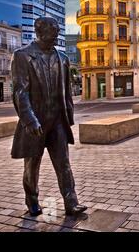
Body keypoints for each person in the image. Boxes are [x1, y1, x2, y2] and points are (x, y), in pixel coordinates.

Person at [11, 17, 87, 216]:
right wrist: (30, 120)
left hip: (57, 122)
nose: (57, 35)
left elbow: (67, 91)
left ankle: (71, 202)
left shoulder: (62, 58)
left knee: (64, 164)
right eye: (53, 31)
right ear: (40, 32)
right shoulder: (22, 56)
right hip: (35, 122)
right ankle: (32, 201)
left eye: (58, 31)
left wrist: (68, 117)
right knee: (31, 166)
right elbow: (20, 92)